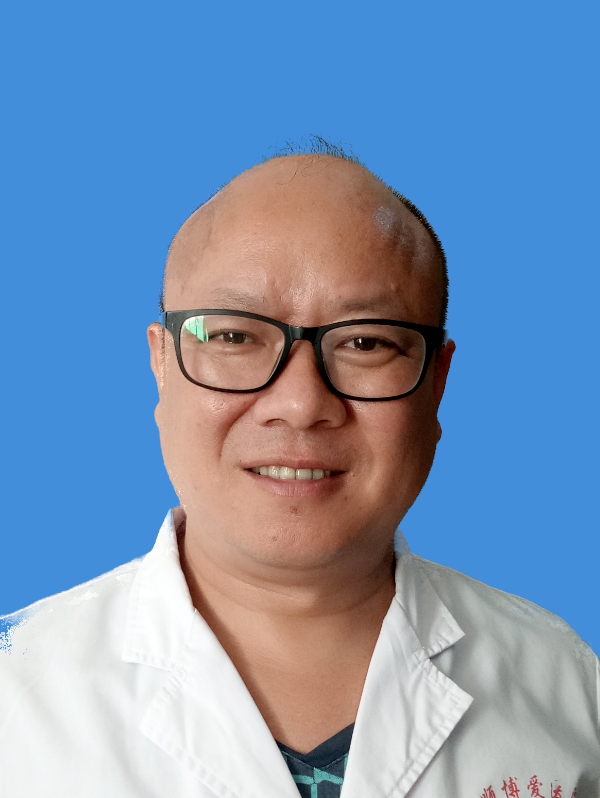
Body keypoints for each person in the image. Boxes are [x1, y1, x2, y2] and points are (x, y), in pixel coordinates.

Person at [1, 145, 598, 798]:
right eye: (234, 336)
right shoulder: (17, 694)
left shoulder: (568, 690)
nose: (301, 404)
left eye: (366, 342)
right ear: (161, 364)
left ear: (437, 383)